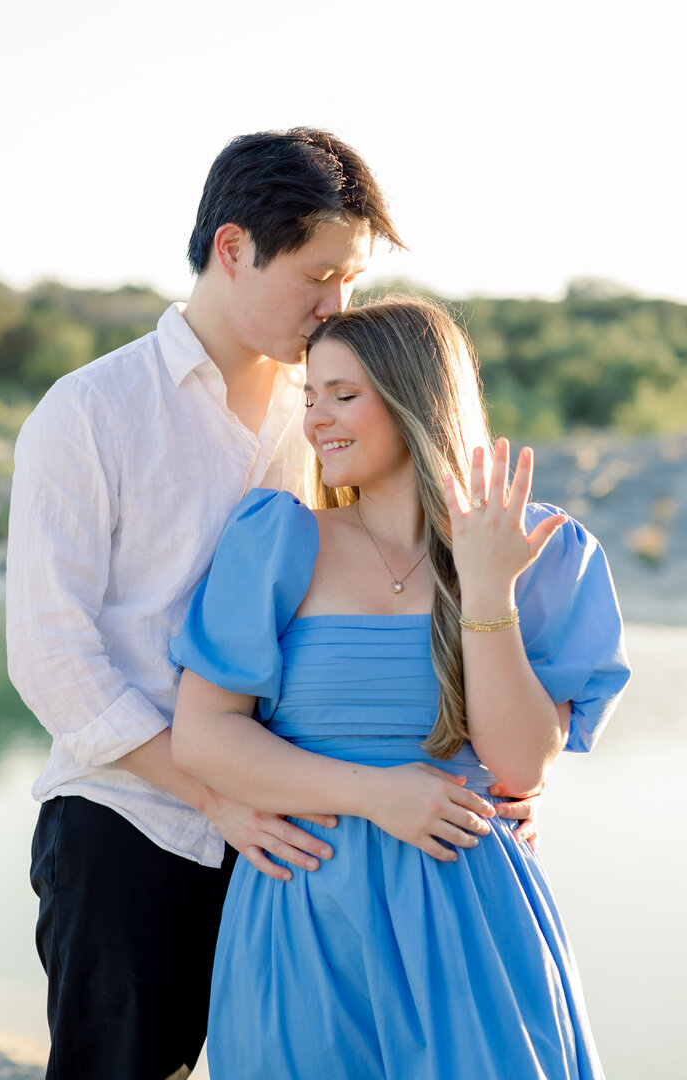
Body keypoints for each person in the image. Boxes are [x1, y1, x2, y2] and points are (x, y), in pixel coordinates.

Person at [6, 130, 539, 1080]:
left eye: (352, 281)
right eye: (320, 275)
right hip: (134, 825)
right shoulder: (92, 411)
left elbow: (392, 601)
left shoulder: (329, 410)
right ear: (234, 248)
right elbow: (50, 658)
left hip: (308, 837)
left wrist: (493, 780)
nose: (339, 304)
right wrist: (217, 793)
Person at [171, 296, 630, 1080]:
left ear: (416, 397)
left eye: (343, 395)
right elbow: (205, 738)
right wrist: (377, 794)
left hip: (470, 916)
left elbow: (520, 766)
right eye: (309, 396)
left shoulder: (540, 550)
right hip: (308, 912)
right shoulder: (280, 539)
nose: (317, 420)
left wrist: (488, 594)